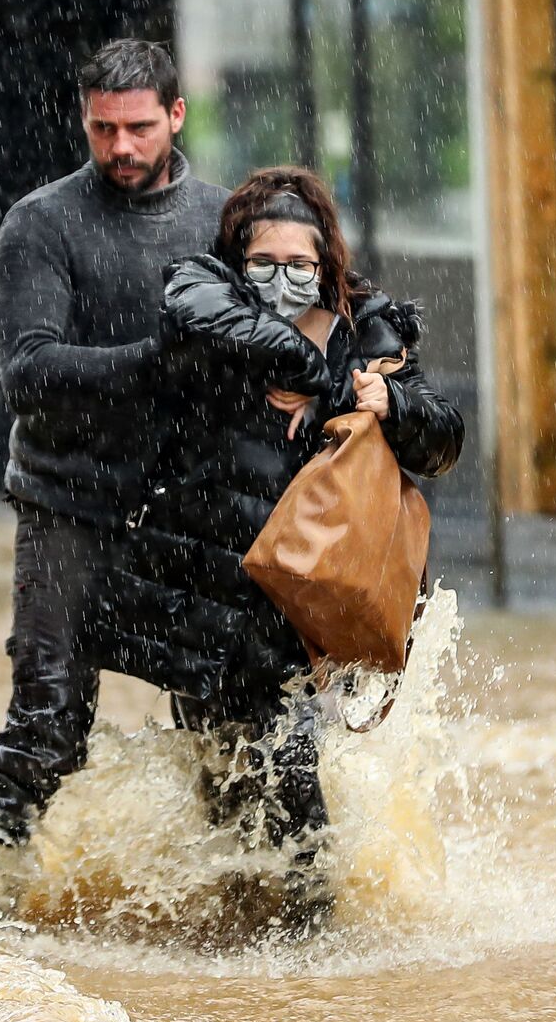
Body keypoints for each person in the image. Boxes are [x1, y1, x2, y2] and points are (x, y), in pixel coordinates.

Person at [82, 166, 465, 924]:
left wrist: (382, 399)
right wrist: (307, 367)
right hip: (205, 600)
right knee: (223, 802)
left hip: (301, 615)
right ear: (237, 259)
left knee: (296, 805)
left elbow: (442, 439)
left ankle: (306, 972)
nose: (283, 279)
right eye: (265, 263)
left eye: (300, 265)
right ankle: (249, 967)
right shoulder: (204, 305)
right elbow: (191, 327)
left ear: (327, 265)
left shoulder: (370, 327)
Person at [0, 39, 230, 845]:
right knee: (46, 728)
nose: (121, 147)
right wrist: (159, 362)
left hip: (195, 509)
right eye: (103, 129)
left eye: (139, 127)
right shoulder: (40, 224)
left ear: (176, 116)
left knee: (238, 729)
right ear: (84, 120)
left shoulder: (225, 219)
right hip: (67, 506)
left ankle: (267, 924)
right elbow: (29, 373)